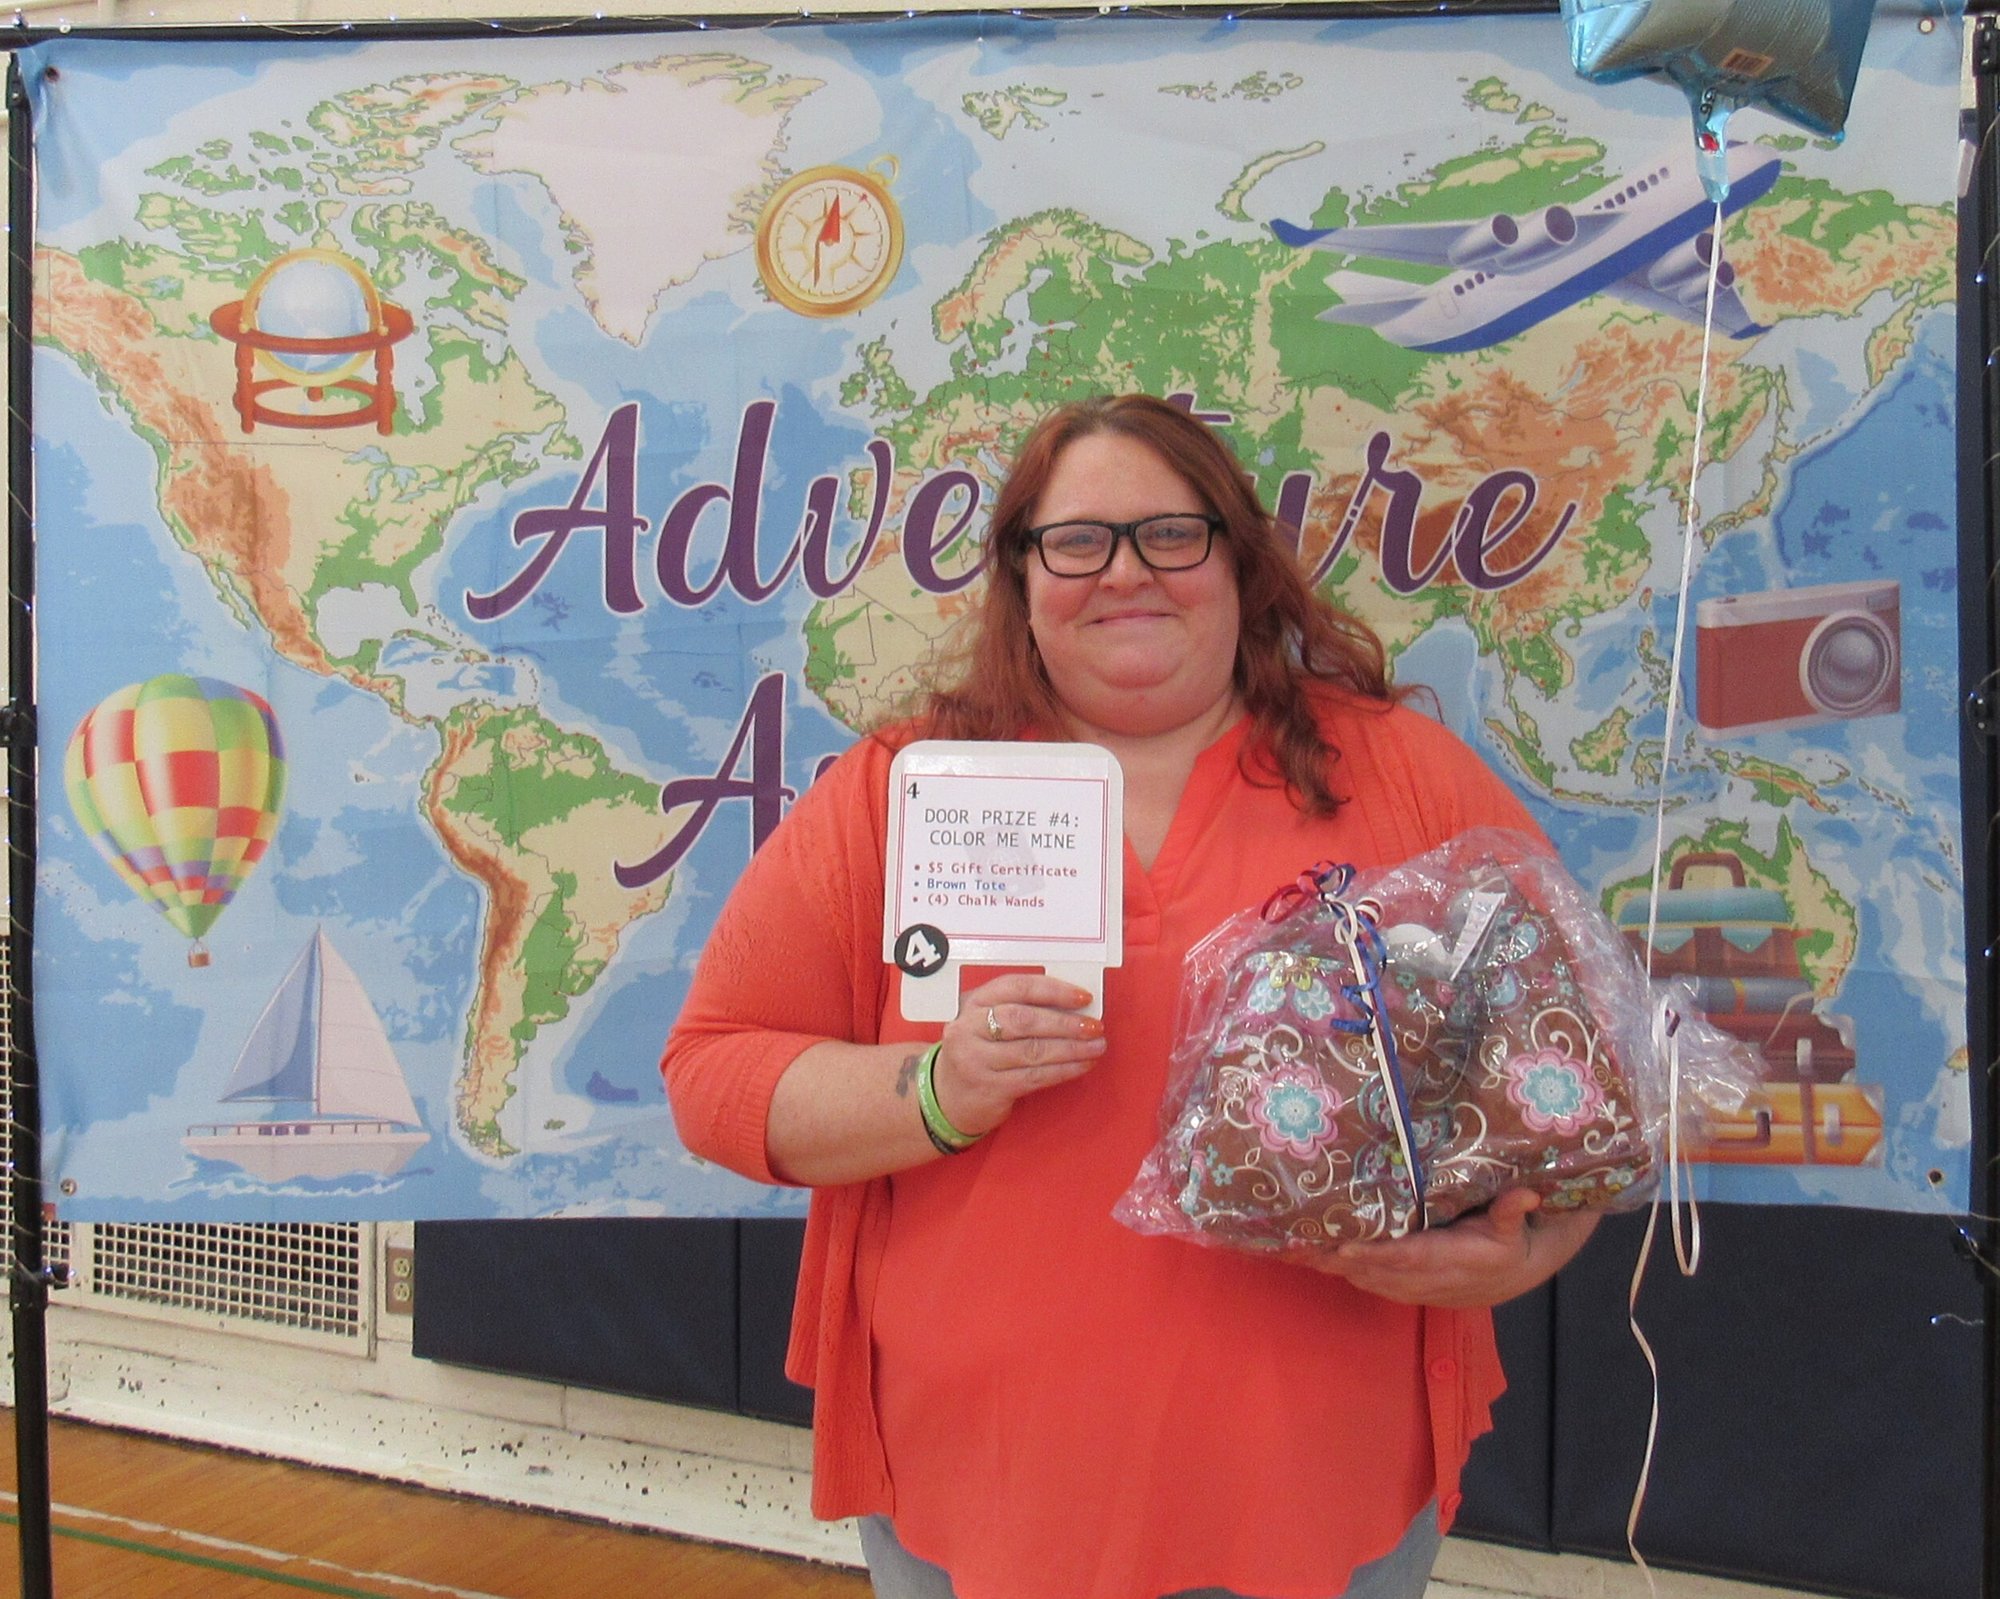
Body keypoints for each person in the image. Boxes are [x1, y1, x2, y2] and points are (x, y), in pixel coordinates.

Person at [662, 394, 1600, 1599]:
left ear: (1237, 558)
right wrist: (934, 1088)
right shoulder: (898, 790)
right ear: (1021, 574)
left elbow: (1575, 1089)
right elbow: (712, 1076)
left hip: (1322, 1475)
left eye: (1171, 534)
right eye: (1077, 541)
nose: (1125, 574)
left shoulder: (1404, 778)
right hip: (987, 1486)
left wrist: (1520, 1251)